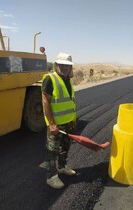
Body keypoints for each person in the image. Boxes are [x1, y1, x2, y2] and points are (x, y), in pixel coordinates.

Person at [41, 52, 77, 189]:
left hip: (68, 122)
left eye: (67, 65)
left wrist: (73, 118)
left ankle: (62, 167)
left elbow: (70, 101)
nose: (65, 67)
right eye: (62, 65)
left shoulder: (68, 80)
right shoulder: (50, 79)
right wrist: (51, 124)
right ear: (56, 65)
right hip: (55, 124)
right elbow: (46, 102)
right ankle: (51, 177)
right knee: (52, 151)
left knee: (65, 147)